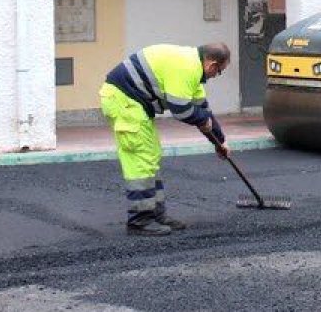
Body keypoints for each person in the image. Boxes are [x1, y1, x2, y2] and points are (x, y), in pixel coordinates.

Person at [99, 42, 232, 236]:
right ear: (211, 64)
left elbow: (202, 110)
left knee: (152, 155)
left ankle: (156, 214)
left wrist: (220, 142)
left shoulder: (194, 70)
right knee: (141, 160)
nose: (216, 76)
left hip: (135, 104)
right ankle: (139, 221)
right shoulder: (186, 68)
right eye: (219, 71)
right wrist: (203, 121)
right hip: (124, 102)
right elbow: (181, 110)